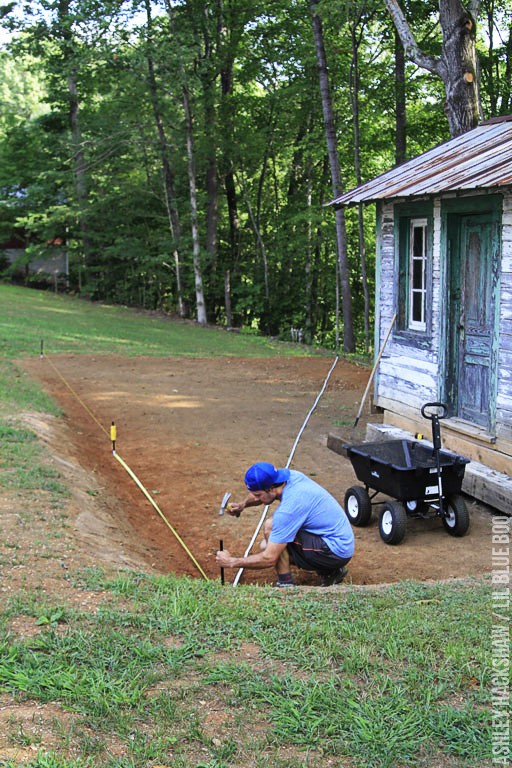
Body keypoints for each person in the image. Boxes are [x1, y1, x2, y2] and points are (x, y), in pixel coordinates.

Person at [215, 461, 354, 587]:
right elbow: (262, 494)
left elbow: (269, 559)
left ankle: (286, 584)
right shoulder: (289, 478)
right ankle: (331, 571)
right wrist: (242, 505)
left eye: (257, 495)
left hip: (336, 550)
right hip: (335, 538)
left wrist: (231, 562)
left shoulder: (289, 509)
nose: (256, 498)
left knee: (271, 530)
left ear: (270, 488)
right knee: (266, 544)